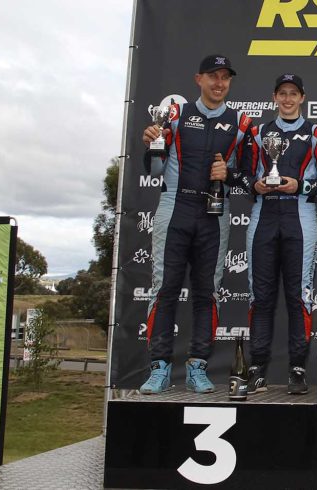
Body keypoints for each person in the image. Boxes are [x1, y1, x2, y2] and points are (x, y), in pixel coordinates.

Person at [139, 54, 254, 394]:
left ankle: (198, 367)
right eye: (212, 76)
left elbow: (248, 178)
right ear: (198, 79)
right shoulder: (175, 115)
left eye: (225, 77)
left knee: (207, 292)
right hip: (175, 208)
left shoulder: (241, 122)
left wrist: (228, 174)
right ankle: (159, 368)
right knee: (165, 288)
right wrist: (153, 145)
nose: (219, 83)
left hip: (214, 214)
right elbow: (154, 169)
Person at [244, 73, 317, 395]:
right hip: (263, 218)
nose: (287, 99)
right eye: (282, 93)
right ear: (274, 97)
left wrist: (301, 185)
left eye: (293, 93)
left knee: (300, 296)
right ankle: (257, 368)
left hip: (301, 218)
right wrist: (254, 185)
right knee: (260, 296)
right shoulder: (257, 133)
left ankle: (297, 368)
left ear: (302, 98)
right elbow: (242, 174)